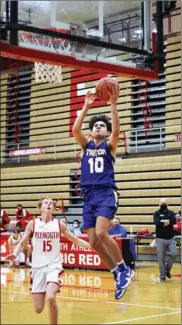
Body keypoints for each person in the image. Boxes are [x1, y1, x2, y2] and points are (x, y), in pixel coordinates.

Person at [72, 88, 134, 300]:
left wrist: (114, 104)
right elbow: (75, 129)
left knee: (101, 232)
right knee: (94, 242)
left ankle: (124, 268)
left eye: (102, 125)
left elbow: (116, 131)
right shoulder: (85, 146)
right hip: (88, 196)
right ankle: (116, 273)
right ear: (91, 132)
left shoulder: (110, 146)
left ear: (107, 132)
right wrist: (86, 106)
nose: (99, 126)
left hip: (106, 193)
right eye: (95, 125)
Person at [5, 197, 91, 325]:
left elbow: (76, 240)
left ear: (53, 208)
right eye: (46, 203)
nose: (49, 204)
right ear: (40, 208)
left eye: (51, 203)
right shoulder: (33, 224)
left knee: (51, 297)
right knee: (38, 309)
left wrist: (93, 246)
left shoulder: (59, 224)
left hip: (53, 266)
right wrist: (14, 254)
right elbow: (23, 242)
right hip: (38, 268)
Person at [153, 198, 177, 282]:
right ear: (159, 204)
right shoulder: (156, 213)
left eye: (165, 203)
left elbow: (174, 221)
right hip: (160, 239)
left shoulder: (171, 213)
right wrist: (168, 222)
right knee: (161, 258)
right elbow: (157, 222)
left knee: (174, 254)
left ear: (168, 204)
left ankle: (167, 270)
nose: (163, 204)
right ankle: (162, 276)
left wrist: (163, 222)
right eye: (162, 203)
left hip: (171, 238)